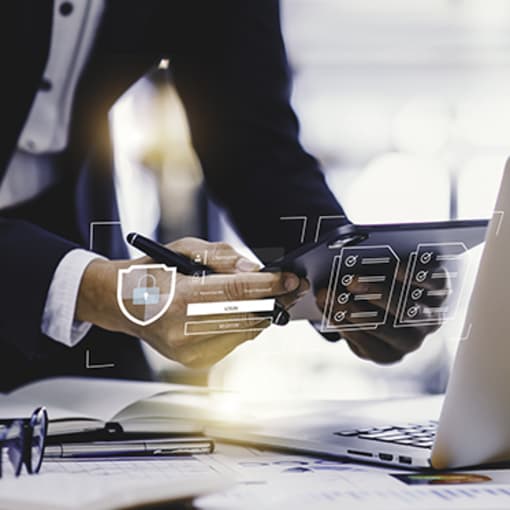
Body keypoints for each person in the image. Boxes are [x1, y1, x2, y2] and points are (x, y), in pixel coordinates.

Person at [0, 0, 436, 392]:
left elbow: (251, 144)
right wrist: (92, 290)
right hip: (70, 279)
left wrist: (345, 273)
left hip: (74, 281)